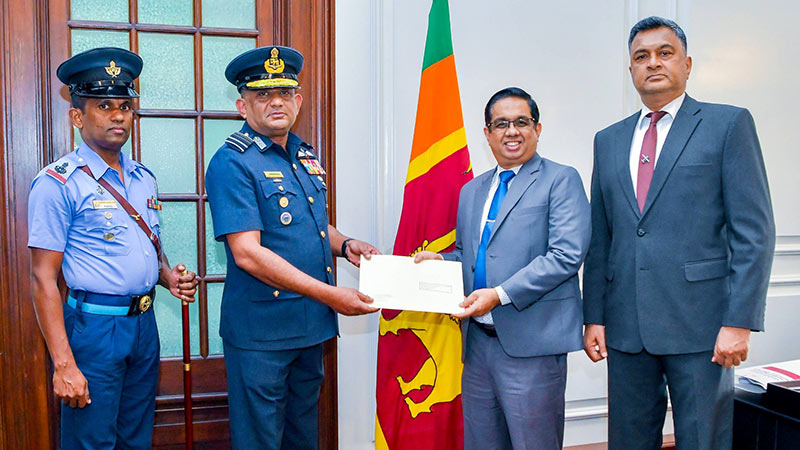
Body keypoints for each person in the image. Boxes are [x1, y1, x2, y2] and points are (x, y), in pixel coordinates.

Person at [583, 16, 776, 449]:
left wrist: (739, 322)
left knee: (702, 441)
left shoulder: (727, 125)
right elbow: (602, 237)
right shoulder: (608, 140)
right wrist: (593, 315)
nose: (653, 63)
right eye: (641, 56)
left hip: (702, 328)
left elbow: (754, 232)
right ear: (630, 69)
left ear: (687, 64)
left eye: (664, 53)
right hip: (626, 327)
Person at [205, 45, 379, 450]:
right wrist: (331, 295)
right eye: (263, 95)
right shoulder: (233, 162)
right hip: (262, 335)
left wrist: (346, 244)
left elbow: (311, 224)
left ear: (297, 101)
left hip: (308, 327)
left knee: (303, 437)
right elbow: (247, 252)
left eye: (284, 93)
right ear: (242, 106)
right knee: (261, 442)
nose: (276, 102)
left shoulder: (303, 154)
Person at [28, 47, 199, 450]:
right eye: (104, 105)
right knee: (91, 441)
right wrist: (64, 364)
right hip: (94, 330)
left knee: (135, 439)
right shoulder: (58, 183)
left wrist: (166, 277)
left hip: (143, 326)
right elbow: (42, 279)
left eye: (125, 105)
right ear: (77, 116)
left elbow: (143, 245)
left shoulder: (143, 178)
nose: (119, 115)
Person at [415, 87, 591, 449]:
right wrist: (443, 262)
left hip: (533, 347)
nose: (512, 131)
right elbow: (471, 255)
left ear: (537, 129)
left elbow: (565, 255)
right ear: (487, 134)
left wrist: (497, 295)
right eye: (501, 124)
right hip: (478, 345)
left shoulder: (561, 179)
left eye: (521, 122)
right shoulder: (472, 191)